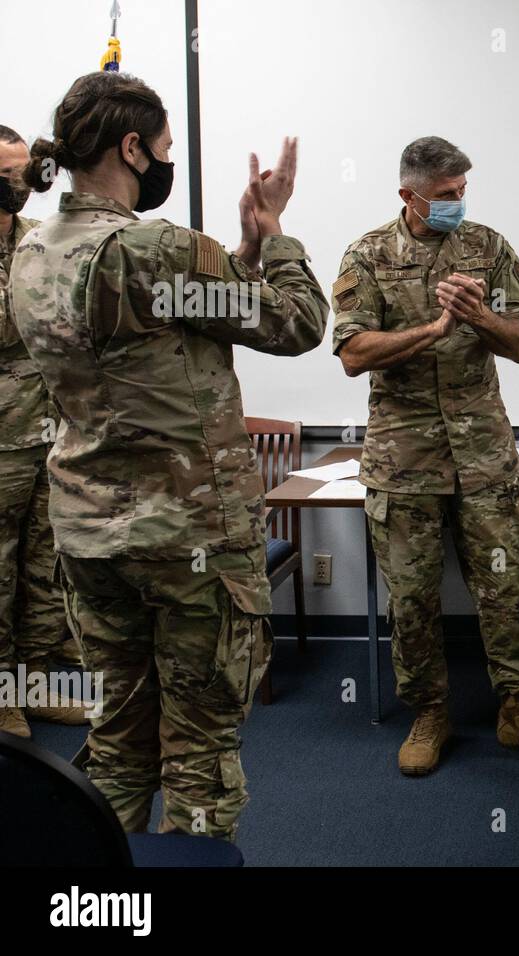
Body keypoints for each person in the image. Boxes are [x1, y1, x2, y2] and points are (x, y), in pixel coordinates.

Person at [9, 72, 328, 839]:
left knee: (118, 740)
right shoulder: (158, 249)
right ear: (131, 147)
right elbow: (298, 321)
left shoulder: (33, 250)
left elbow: (163, 318)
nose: (167, 160)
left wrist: (240, 252)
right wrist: (275, 233)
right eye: (164, 149)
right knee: (200, 751)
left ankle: (101, 898)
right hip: (188, 545)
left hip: (88, 538)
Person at [332, 136, 519, 775]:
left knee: (505, 587)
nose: (458, 204)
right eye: (446, 195)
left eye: (463, 191)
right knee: (413, 596)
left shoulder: (489, 249)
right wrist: (432, 331)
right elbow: (354, 353)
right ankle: (429, 713)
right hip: (404, 460)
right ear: (408, 195)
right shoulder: (366, 256)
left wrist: (478, 318)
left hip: (483, 457)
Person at [0, 124, 85, 738]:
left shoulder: (36, 243)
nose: (17, 185)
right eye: (4, 175)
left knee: (43, 566)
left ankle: (35, 682)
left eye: (23, 171)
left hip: (52, 432)